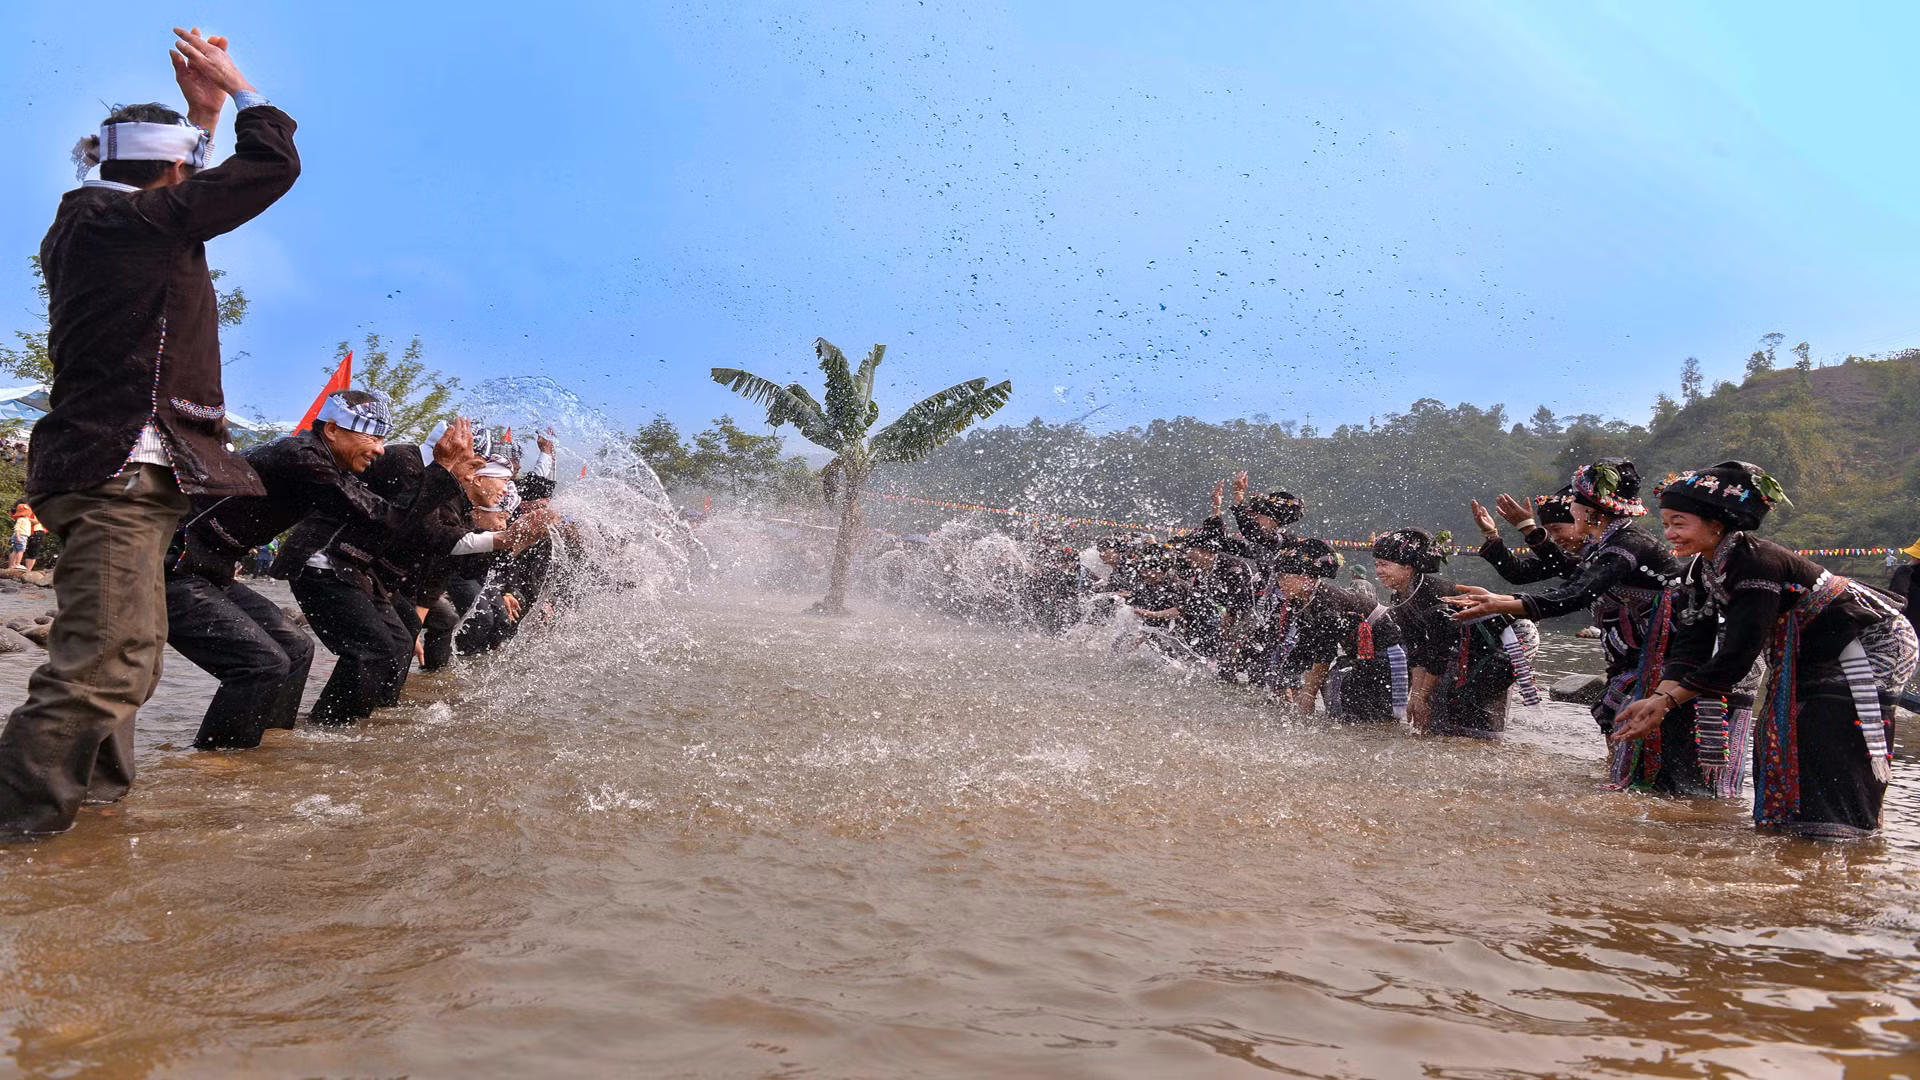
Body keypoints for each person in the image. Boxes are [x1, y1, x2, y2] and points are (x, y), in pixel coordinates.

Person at [0, 29, 299, 838]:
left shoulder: (103, 221)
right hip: (117, 474)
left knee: (118, 660)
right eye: (185, 168)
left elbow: (178, 192)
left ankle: (89, 822)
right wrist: (240, 92)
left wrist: (195, 118)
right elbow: (271, 165)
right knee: (105, 667)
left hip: (117, 472)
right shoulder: (123, 223)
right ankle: (20, 840)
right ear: (170, 175)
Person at [1612, 462, 1918, 836]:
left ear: (1716, 524)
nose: (1669, 534)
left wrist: (1668, 702)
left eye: (1679, 522)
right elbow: (1692, 644)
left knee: (1826, 731)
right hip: (1811, 649)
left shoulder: (1755, 561)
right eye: (1666, 524)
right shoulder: (1700, 570)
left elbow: (1739, 654)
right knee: (1782, 732)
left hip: (1868, 643)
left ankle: (1842, 837)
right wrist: (1659, 695)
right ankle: (1791, 832)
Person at [168, 396, 476, 747]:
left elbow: (388, 519)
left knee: (296, 649)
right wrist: (443, 470)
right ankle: (219, 761)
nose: (379, 450)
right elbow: (383, 517)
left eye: (381, 439)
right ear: (331, 429)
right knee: (261, 664)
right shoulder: (302, 459)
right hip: (176, 563)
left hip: (212, 570)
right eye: (372, 438)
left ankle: (269, 743)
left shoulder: (324, 464)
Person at [1447, 460, 1682, 763]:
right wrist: (1499, 595)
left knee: (1651, 760)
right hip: (1636, 663)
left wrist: (1501, 602)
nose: (1570, 510)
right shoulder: (1603, 548)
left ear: (1591, 510)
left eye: (1572, 509)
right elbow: (1556, 575)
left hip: (1668, 664)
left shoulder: (1624, 546)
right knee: (1622, 746)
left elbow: (1574, 593)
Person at [1374, 528, 1536, 737]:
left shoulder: (1433, 595)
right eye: (1377, 564)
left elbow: (1438, 653)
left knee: (1469, 693)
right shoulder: (1401, 598)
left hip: (1514, 636)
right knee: (1440, 696)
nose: (1378, 571)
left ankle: (1486, 744)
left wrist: (1422, 697)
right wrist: (1415, 697)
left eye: (1385, 564)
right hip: (1475, 643)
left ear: (1407, 568)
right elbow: (1418, 650)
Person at [1259, 538, 1407, 722]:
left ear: (1307, 579)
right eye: (1279, 578)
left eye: (1285, 577)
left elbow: (1324, 653)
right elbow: (1305, 647)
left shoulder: (1326, 601)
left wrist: (1308, 696)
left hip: (1387, 650)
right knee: (1337, 695)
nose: (1281, 584)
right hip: (1358, 653)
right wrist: (1283, 679)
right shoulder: (1301, 601)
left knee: (1375, 714)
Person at [1472, 488, 1581, 585]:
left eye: (1557, 529)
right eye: (1550, 532)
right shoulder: (1573, 558)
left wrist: (1528, 528)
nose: (1555, 538)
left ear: (1581, 521)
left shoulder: (1595, 554)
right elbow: (1519, 573)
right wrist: (1491, 534)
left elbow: (1564, 566)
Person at [7, 504, 32, 571]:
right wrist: (18, 537)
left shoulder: (26, 519)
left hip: (22, 536)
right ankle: (17, 564)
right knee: (21, 550)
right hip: (21, 536)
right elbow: (17, 529)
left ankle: (12, 564)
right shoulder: (21, 519)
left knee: (15, 550)